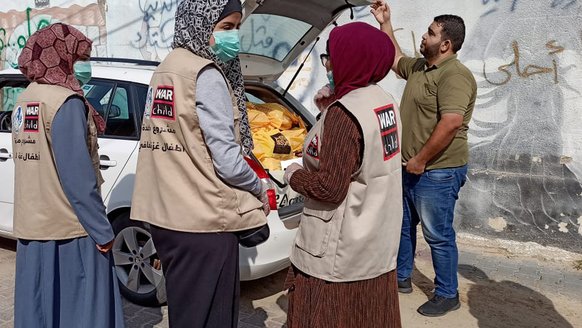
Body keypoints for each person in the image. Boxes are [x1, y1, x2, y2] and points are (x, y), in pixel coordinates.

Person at [130, 1, 270, 327]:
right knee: (213, 317)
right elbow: (227, 161)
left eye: (236, 27)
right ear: (200, 21)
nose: (233, 36)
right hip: (204, 221)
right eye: (225, 28)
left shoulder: (166, 67)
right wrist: (257, 186)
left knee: (187, 313)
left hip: (167, 217)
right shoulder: (204, 74)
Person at [283, 22, 402, 328]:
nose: (329, 65)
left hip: (338, 251)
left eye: (332, 57)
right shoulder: (383, 100)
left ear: (353, 57)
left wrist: (293, 174)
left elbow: (329, 188)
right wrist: (328, 109)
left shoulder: (345, 114)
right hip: (375, 241)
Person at [12, 23, 124, 327]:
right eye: (80, 57)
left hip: (32, 227)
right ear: (62, 55)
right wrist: (102, 231)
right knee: (80, 311)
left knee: (43, 310)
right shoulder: (65, 102)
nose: (85, 66)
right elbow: (78, 178)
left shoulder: (25, 100)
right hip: (68, 230)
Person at [371, 1, 477, 317]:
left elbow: (451, 122)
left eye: (430, 33)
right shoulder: (420, 67)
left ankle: (447, 293)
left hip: (437, 171)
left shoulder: (454, 75)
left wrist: (420, 159)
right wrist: (385, 23)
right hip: (410, 166)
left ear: (445, 44)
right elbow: (394, 59)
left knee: (437, 235)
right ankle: (401, 277)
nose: (424, 36)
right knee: (403, 225)